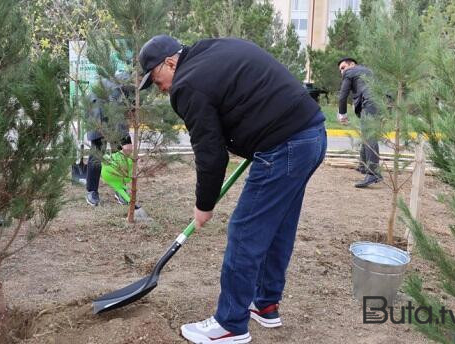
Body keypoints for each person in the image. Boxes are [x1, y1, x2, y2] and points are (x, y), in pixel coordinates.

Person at [139, 35, 327, 344]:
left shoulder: (187, 84)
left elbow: (210, 152)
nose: (161, 89)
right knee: (278, 226)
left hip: (285, 145)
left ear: (170, 63)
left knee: (245, 231)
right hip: (312, 135)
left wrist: (204, 204)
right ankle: (265, 304)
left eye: (157, 81)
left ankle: (230, 324)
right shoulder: (213, 48)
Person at [85, 74, 134, 206]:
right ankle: (91, 191)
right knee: (97, 150)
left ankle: (119, 190)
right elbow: (116, 111)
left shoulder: (132, 85)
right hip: (97, 109)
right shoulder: (122, 86)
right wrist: (126, 139)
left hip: (107, 109)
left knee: (118, 153)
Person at [337, 57, 382, 188]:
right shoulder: (368, 71)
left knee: (369, 136)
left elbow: (342, 96)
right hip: (381, 103)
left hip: (370, 103)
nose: (342, 72)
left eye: (343, 67)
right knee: (367, 134)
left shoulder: (350, 72)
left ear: (352, 65)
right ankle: (363, 165)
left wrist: (342, 114)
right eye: (340, 70)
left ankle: (373, 173)